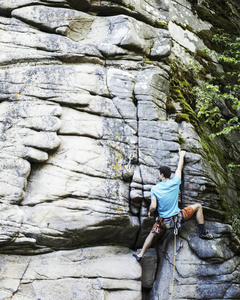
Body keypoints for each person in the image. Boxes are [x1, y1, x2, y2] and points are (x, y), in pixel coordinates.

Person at [133, 150, 213, 262]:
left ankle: (141, 254)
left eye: (159, 173)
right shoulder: (175, 181)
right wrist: (182, 155)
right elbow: (179, 168)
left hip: (163, 222)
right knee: (198, 206)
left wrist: (150, 212)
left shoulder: (155, 189)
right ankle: (203, 232)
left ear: (161, 175)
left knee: (152, 233)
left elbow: (153, 206)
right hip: (178, 217)